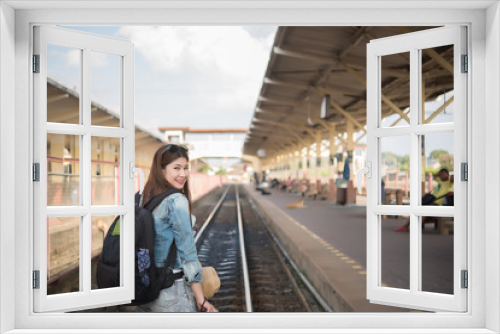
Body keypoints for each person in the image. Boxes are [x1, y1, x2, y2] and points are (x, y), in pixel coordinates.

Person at [140, 144, 218, 312]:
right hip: (172, 293)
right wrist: (201, 299)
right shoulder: (176, 201)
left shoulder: (145, 196)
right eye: (176, 168)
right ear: (161, 170)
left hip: (148, 288)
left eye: (185, 168)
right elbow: (188, 255)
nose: (183, 174)